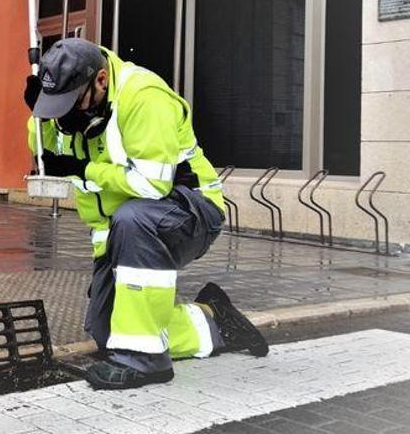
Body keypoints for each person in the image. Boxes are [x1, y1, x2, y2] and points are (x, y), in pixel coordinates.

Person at [24, 38, 269, 390]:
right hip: (128, 225)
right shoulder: (75, 111)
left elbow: (152, 186)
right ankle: (214, 321)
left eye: (70, 103)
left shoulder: (144, 96)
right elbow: (44, 149)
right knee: (111, 332)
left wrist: (85, 169)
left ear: (101, 80)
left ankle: (145, 362)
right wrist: (40, 114)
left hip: (191, 210)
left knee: (135, 217)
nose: (66, 115)